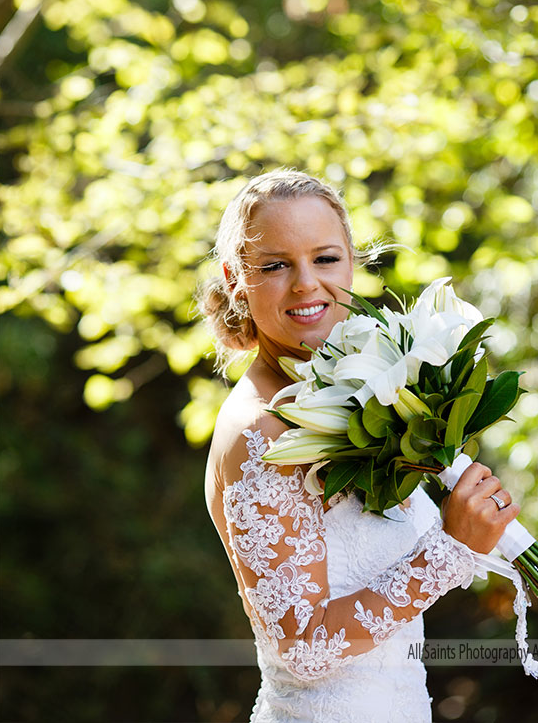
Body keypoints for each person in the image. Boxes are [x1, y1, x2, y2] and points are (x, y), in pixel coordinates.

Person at [201, 169, 520, 723]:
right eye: (275, 265)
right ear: (235, 278)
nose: (306, 285)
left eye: (325, 259)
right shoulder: (261, 432)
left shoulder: (350, 389)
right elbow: (303, 649)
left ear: (353, 262)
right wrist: (450, 550)